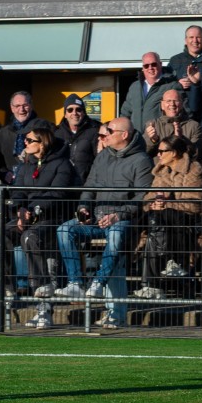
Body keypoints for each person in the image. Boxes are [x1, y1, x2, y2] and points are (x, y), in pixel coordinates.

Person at [56, 118, 153, 329]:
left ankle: (99, 285)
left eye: (109, 131)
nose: (104, 135)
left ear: (124, 135)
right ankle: (75, 283)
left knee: (116, 238)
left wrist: (119, 215)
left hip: (125, 221)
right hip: (96, 218)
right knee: (65, 229)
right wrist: (83, 207)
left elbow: (142, 197)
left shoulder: (141, 161)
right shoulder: (102, 156)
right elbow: (90, 186)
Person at [1, 127, 80, 328]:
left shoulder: (62, 164)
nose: (25, 143)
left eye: (29, 140)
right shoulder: (26, 165)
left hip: (52, 219)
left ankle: (43, 295)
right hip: (27, 217)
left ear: (42, 143)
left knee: (30, 238)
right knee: (0, 236)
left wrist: (34, 210)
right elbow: (18, 191)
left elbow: (58, 194)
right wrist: (20, 210)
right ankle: (5, 287)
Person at [137, 136, 202, 299]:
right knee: (155, 225)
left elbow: (195, 205)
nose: (158, 155)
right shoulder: (161, 172)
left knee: (157, 226)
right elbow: (148, 199)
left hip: (190, 222)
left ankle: (151, 285)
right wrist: (153, 205)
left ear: (174, 153)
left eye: (162, 151)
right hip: (164, 224)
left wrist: (166, 205)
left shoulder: (194, 170)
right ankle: (171, 264)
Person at [0, 91, 50, 184]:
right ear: (12, 108)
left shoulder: (44, 128)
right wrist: (4, 174)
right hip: (12, 186)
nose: (22, 109)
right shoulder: (3, 132)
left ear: (31, 106)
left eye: (25, 105)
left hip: (38, 184)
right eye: (17, 106)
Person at [120, 52, 182, 132]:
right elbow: (125, 113)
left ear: (160, 64)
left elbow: (182, 112)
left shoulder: (172, 86)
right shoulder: (135, 87)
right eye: (146, 66)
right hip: (138, 137)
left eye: (154, 64)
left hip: (161, 136)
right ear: (143, 68)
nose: (150, 68)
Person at [167, 25, 202, 121]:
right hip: (181, 115)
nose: (195, 40)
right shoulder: (175, 60)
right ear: (185, 40)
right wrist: (178, 84)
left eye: (198, 37)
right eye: (191, 37)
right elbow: (165, 86)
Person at [144, 89, 202, 159]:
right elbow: (144, 152)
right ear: (162, 105)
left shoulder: (193, 126)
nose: (172, 104)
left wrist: (181, 139)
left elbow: (197, 154)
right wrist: (153, 141)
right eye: (168, 101)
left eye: (176, 101)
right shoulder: (153, 125)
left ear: (182, 104)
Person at [53, 94, 100, 182]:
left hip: (85, 184)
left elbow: (99, 161)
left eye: (78, 109)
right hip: (63, 183)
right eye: (70, 110)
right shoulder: (57, 133)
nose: (74, 113)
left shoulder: (95, 131)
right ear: (65, 114)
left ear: (83, 112)